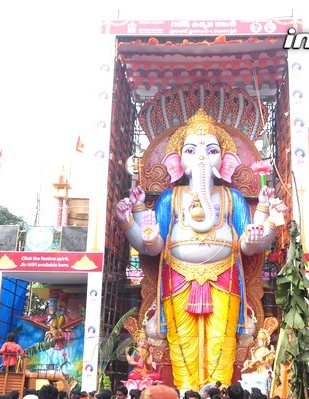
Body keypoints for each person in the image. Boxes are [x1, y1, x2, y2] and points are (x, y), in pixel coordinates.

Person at [116, 109, 287, 390]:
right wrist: (128, 223)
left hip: (225, 276)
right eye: (191, 150)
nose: (201, 158)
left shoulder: (232, 198)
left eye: (211, 150)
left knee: (221, 339)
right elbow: (151, 246)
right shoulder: (171, 198)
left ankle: (217, 392)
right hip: (177, 277)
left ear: (226, 161)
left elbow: (248, 244)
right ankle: (185, 392)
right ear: (177, 162)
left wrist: (266, 227)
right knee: (182, 340)